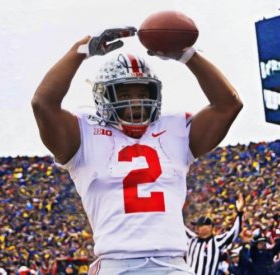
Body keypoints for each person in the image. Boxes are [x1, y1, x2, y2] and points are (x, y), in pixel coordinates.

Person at [31, 24, 243, 274]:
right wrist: (81, 51)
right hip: (116, 263)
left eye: (143, 92)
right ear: (104, 98)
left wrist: (187, 55)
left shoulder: (175, 128)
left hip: (173, 263)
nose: (136, 102)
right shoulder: (83, 133)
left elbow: (228, 105)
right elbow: (43, 104)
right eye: (124, 94)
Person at [185, 193, 244, 275]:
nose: (197, 228)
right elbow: (179, 226)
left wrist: (240, 213)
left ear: (210, 227)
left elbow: (235, 231)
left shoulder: (217, 241)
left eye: (200, 225)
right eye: (196, 225)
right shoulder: (192, 239)